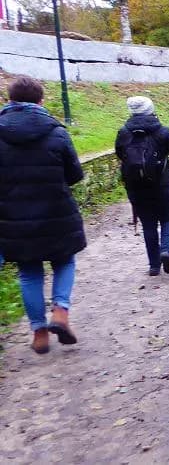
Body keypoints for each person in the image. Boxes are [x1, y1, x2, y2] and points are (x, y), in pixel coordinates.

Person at [0, 76, 85, 354]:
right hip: (56, 212)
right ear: (40, 100)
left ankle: (38, 331)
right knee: (64, 261)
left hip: (13, 218)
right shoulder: (56, 132)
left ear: (8, 100)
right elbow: (74, 174)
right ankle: (60, 312)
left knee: (28, 273)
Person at [115, 96, 169, 276]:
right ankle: (166, 250)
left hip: (136, 186)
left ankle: (154, 265)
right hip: (163, 184)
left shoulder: (124, 132)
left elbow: (120, 154)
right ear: (151, 109)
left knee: (148, 224)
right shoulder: (163, 131)